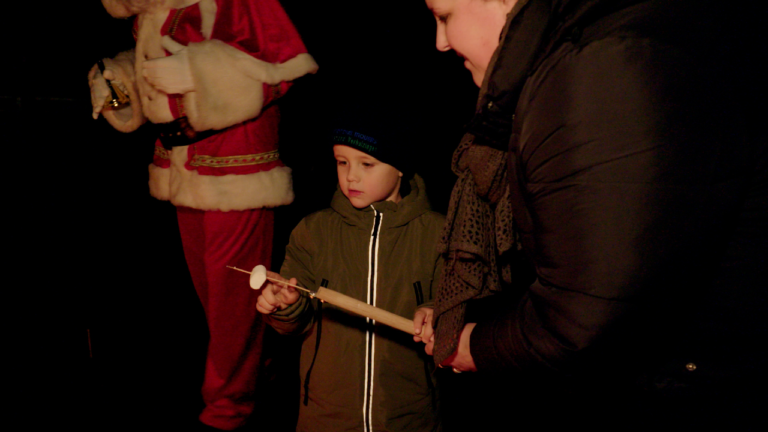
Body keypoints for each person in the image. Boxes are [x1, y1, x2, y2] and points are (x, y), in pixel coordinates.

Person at [419, 0, 767, 429]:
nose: (440, 42)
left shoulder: (598, 68)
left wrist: (477, 346)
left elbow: (581, 319)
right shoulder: (599, 47)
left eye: (444, 16)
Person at [87, 0, 317, 429]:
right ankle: (248, 384)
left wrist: (200, 73)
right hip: (183, 169)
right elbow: (159, 77)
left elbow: (281, 67)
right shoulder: (155, 8)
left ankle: (227, 412)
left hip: (236, 169)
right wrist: (121, 81)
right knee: (215, 304)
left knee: (233, 305)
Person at [255, 108, 443, 432]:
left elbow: (457, 303)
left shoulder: (437, 235)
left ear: (400, 167)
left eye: (366, 164)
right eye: (342, 162)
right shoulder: (314, 232)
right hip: (326, 416)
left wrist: (436, 311)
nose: (351, 176)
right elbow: (295, 324)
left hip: (409, 416)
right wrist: (285, 305)